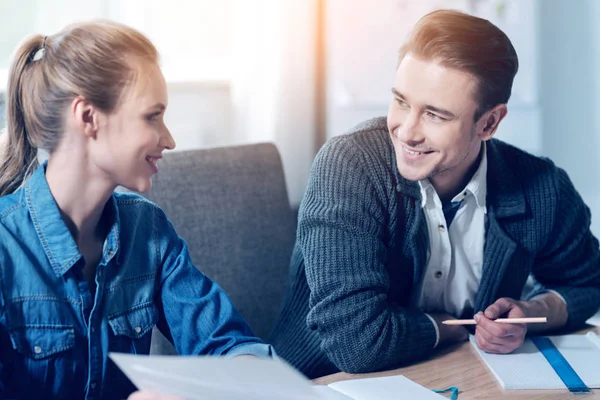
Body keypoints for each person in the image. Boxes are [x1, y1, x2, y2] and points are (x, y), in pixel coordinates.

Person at [269, 9, 600, 379]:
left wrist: (531, 313)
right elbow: (355, 342)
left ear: (489, 122)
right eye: (401, 101)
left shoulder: (543, 188)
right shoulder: (350, 166)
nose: (407, 131)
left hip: (461, 377)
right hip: (322, 382)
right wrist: (453, 327)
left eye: (435, 116)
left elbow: (588, 283)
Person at [0, 21, 272, 399]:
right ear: (88, 117)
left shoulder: (149, 232)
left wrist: (228, 381)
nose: (170, 139)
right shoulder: (5, 249)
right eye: (152, 116)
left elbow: (229, 345)